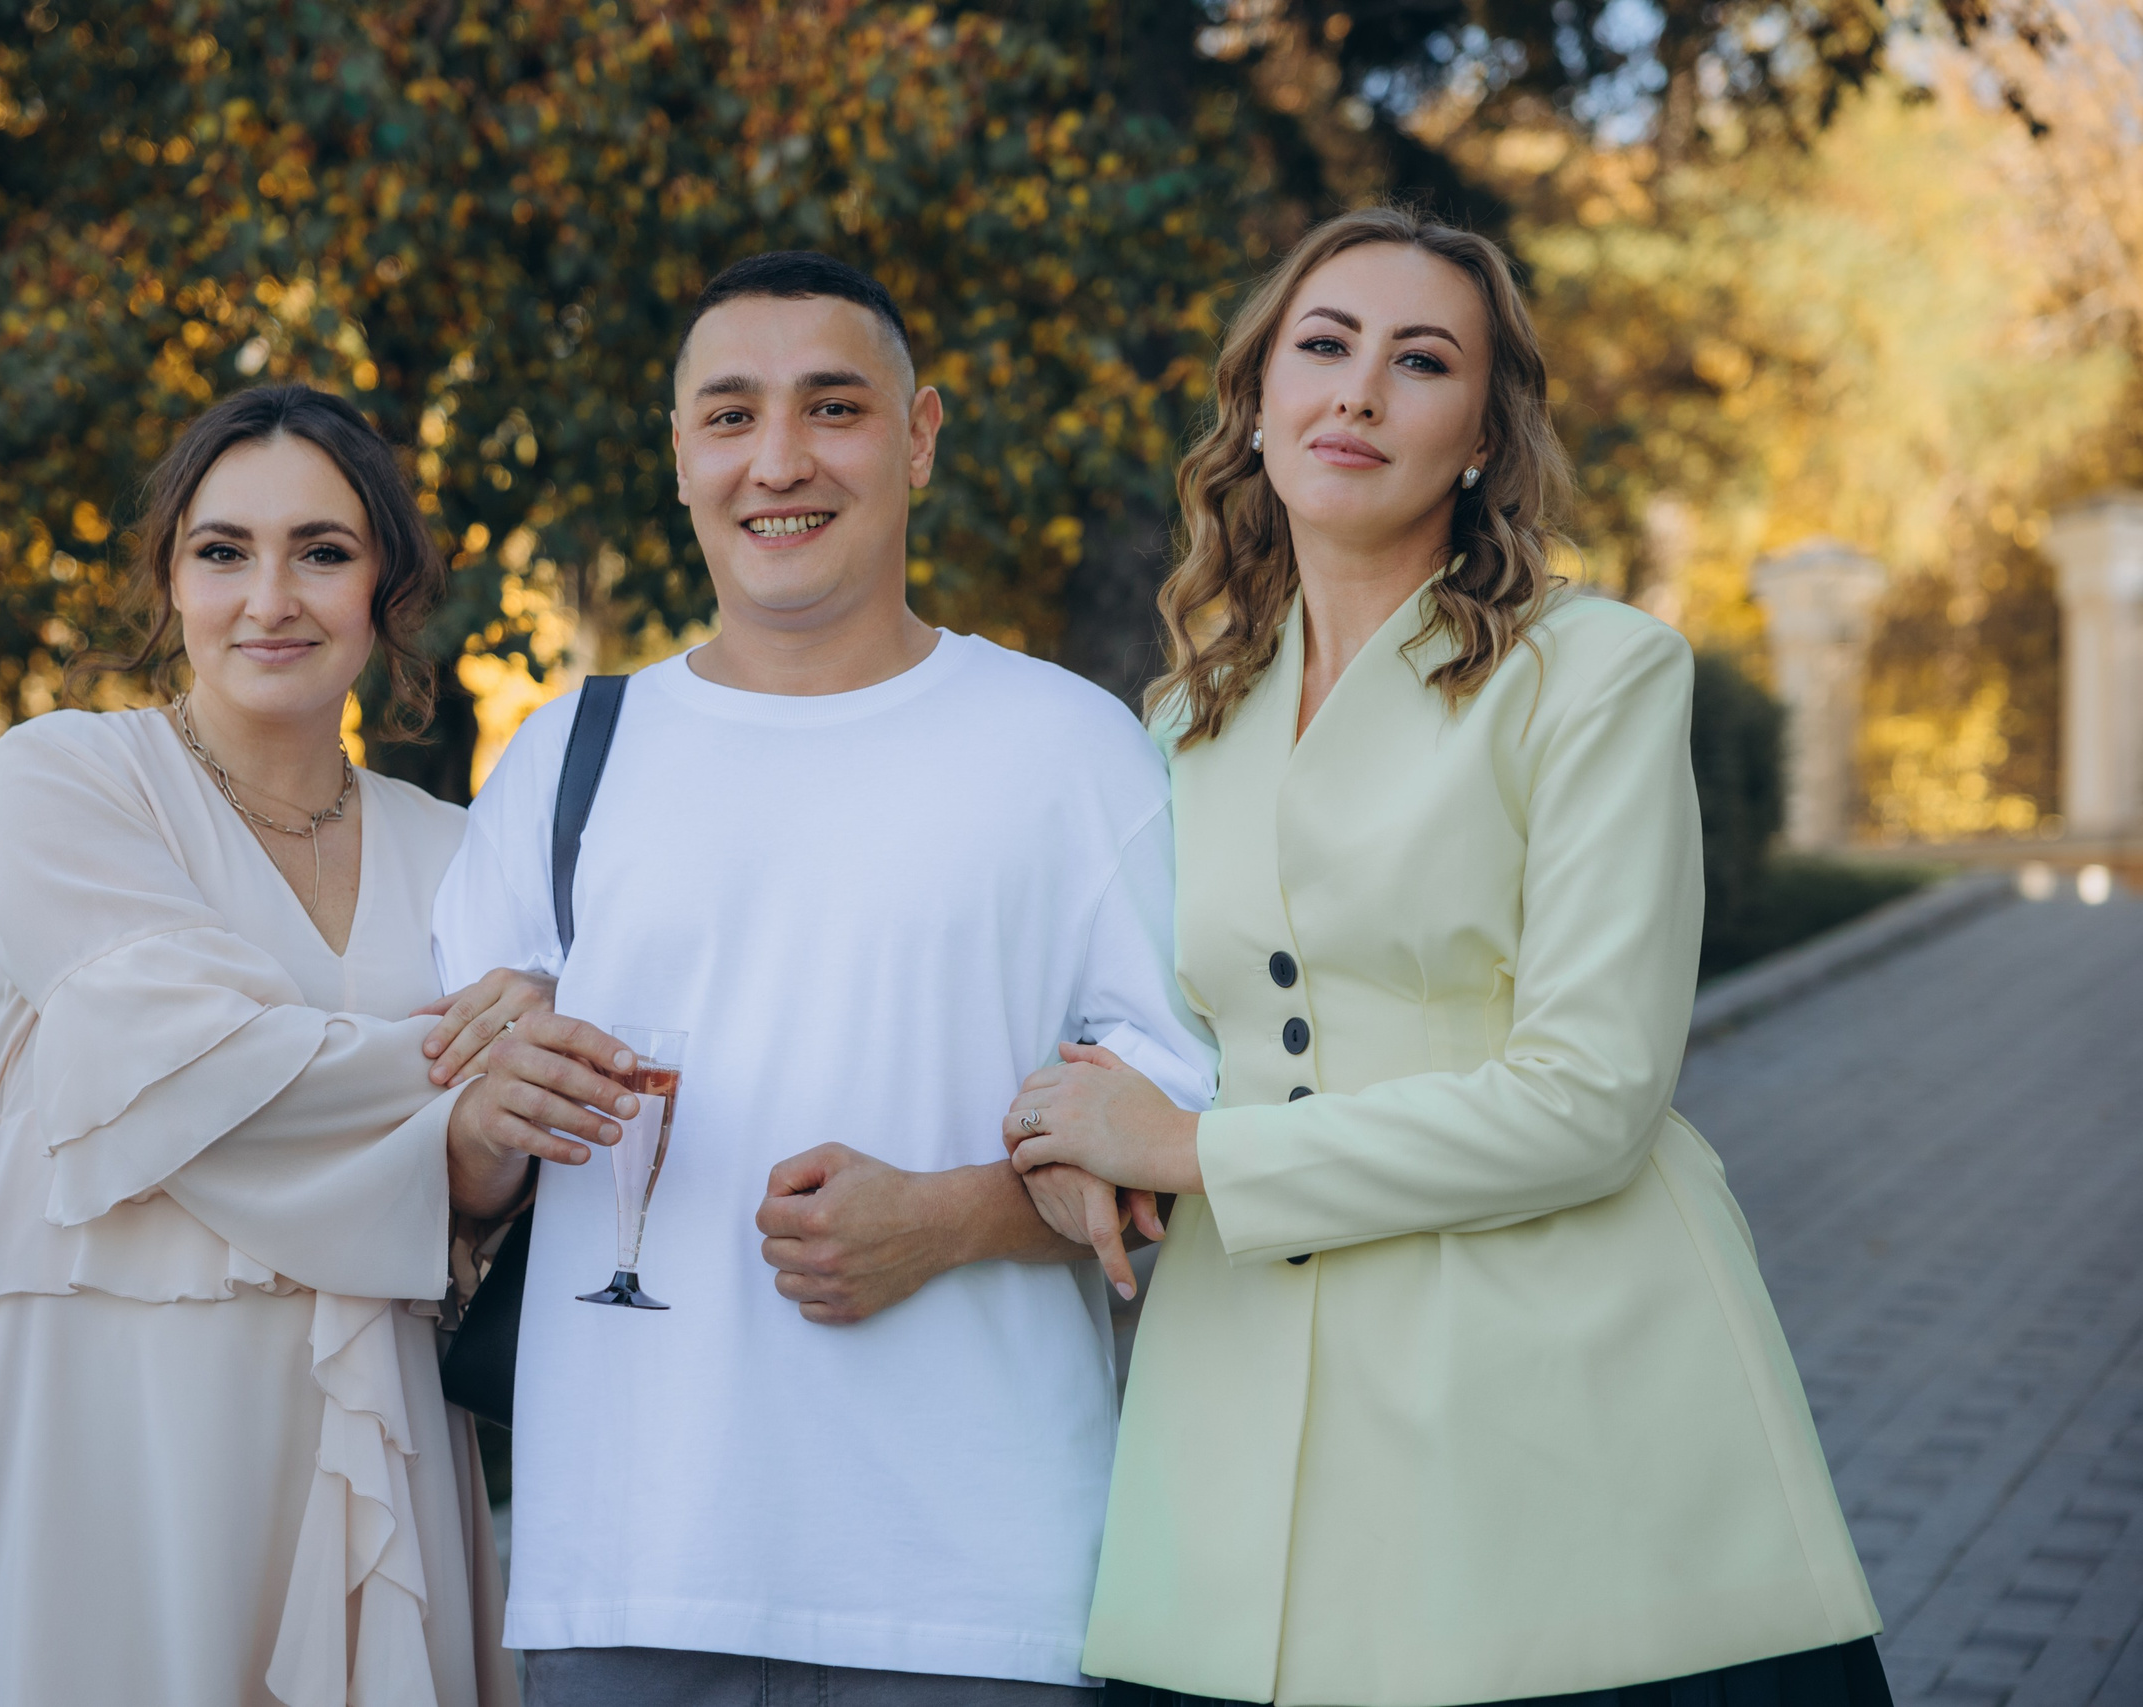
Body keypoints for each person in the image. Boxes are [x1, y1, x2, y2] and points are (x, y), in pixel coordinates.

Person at [1003, 207, 1891, 1707]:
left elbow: (1591, 1096)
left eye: (1420, 362)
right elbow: (1157, 1040)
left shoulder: (1594, 671)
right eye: (1323, 346)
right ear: (1260, 399)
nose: (1358, 391)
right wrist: (1074, 1140)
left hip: (1550, 1393)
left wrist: (1192, 1150)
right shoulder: (1183, 720)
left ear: (1482, 437)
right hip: (1238, 1405)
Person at [424, 250, 1216, 1706]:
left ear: (919, 437)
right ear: (681, 457)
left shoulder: (1070, 752)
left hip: (972, 1590)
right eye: (730, 416)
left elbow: (1181, 1137)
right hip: (630, 1572)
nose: (778, 461)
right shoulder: (566, 757)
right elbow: (456, 1176)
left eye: (833, 408)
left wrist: (949, 1219)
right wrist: (487, 1121)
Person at [0, 386, 522, 1707]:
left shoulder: (463, 854)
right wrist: (454, 1097)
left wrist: (484, 1142)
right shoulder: (67, 778)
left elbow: (497, 1175)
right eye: (224, 551)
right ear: (171, 579)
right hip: (113, 1412)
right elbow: (193, 1062)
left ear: (385, 584)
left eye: (321, 551)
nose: (270, 598)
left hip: (374, 1419)